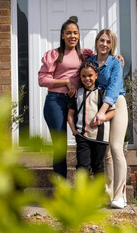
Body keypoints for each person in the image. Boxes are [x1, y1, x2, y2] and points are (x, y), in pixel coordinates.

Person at [38, 16, 124, 179]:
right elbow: (42, 80)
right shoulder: (55, 54)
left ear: (79, 35)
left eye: (75, 33)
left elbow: (102, 57)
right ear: (62, 35)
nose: (72, 36)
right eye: (68, 33)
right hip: (55, 101)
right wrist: (66, 82)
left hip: (79, 102)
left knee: (87, 140)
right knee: (60, 146)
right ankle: (61, 188)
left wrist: (117, 57)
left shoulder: (85, 54)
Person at [87, 29, 128, 209]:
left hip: (115, 103)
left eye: (108, 42)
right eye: (101, 40)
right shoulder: (89, 62)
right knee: (106, 152)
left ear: (112, 45)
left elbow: (113, 89)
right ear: (96, 41)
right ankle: (108, 194)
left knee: (116, 148)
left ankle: (120, 194)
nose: (104, 44)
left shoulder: (116, 62)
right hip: (98, 105)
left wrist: (102, 111)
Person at [68, 61, 115, 175]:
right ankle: (83, 192)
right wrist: (74, 130)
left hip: (100, 137)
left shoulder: (103, 93)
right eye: (84, 76)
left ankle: (98, 192)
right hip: (82, 136)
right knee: (82, 166)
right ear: (80, 77)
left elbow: (112, 112)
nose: (87, 78)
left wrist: (102, 118)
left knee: (98, 166)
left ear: (96, 75)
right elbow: (70, 114)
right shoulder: (77, 93)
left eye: (90, 75)